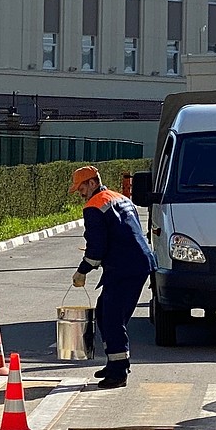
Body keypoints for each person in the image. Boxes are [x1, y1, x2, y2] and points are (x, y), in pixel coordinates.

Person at [69, 166, 155, 389]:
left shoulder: (93, 207)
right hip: (137, 263)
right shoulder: (119, 197)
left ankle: (118, 372)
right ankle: (115, 362)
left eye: (81, 188)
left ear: (92, 183)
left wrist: (82, 272)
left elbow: (96, 249)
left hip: (124, 267)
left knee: (113, 319)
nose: (80, 193)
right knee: (104, 312)